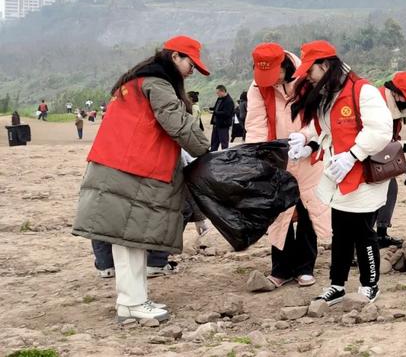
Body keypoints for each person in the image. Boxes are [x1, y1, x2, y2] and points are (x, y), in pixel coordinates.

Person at [72, 35, 211, 323]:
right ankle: (132, 302)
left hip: (121, 164)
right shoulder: (157, 84)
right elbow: (177, 124)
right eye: (190, 62)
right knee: (130, 240)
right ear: (174, 57)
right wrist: (205, 151)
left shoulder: (137, 81)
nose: (192, 70)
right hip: (131, 168)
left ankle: (132, 302)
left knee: (130, 238)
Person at [288, 40, 392, 305]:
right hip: (339, 174)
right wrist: (304, 140)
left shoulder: (363, 91)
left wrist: (353, 155)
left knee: (363, 231)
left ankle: (371, 284)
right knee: (341, 231)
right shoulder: (329, 95)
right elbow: (323, 128)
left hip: (363, 174)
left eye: (310, 72)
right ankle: (337, 284)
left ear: (324, 66)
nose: (308, 79)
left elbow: (380, 131)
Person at [244, 42, 329, 290]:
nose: (271, 81)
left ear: (285, 65)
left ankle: (305, 267)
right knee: (278, 211)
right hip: (277, 157)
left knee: (307, 209)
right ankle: (281, 269)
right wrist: (258, 154)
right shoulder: (258, 87)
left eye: (275, 75)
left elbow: (319, 117)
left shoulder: (307, 79)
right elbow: (256, 124)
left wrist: (307, 139)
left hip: (307, 155)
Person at [376, 71, 406, 248]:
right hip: (363, 153)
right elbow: (378, 140)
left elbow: (392, 138)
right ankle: (359, 244)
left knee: (390, 187)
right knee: (368, 197)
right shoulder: (378, 104)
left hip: (381, 152)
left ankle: (381, 234)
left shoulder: (395, 105)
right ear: (395, 92)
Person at [210, 85, 234, 150]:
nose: (217, 94)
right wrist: (211, 109)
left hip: (223, 125)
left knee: (224, 144)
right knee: (214, 143)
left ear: (222, 91)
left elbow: (227, 113)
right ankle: (212, 157)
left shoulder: (229, 101)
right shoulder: (219, 99)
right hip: (216, 124)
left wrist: (215, 113)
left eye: (218, 92)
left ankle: (225, 158)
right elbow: (217, 108)